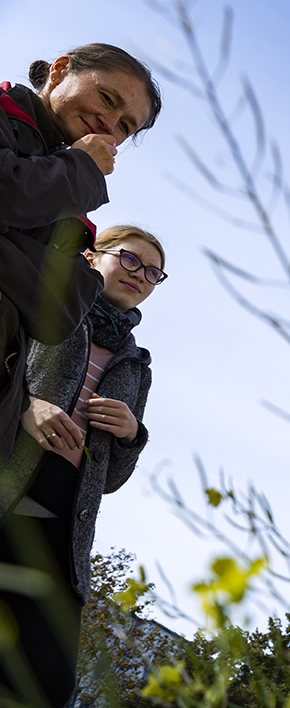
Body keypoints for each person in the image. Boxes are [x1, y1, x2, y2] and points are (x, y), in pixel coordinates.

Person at [0, 224, 164, 708]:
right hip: (6, 510)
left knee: (46, 684)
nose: (140, 276)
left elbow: (112, 478)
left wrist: (131, 435)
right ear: (93, 256)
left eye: (153, 272)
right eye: (131, 260)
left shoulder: (137, 365)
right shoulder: (43, 306)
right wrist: (26, 407)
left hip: (62, 542)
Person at [0, 43, 162, 460]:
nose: (109, 124)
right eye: (107, 98)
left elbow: (62, 311)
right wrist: (82, 167)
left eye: (125, 126)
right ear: (59, 71)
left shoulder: (70, 206)